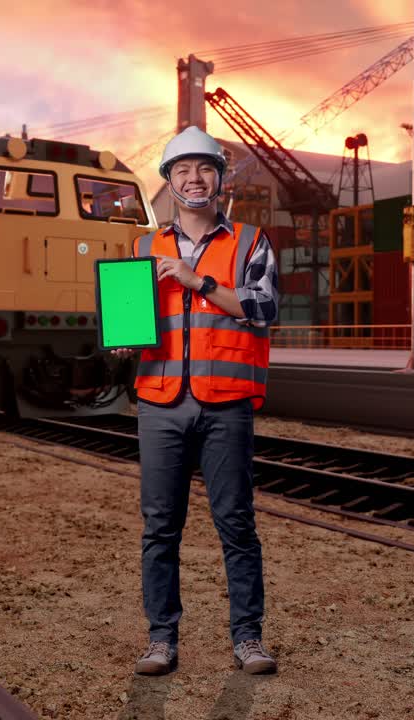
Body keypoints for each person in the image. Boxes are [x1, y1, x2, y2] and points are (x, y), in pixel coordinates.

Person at [113, 126, 279, 676]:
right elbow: (130, 326)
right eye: (182, 169)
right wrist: (119, 331)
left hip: (225, 403)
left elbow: (261, 309)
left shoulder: (250, 242)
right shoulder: (141, 248)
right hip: (161, 402)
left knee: (236, 523)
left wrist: (196, 279)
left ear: (220, 178)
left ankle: (247, 639)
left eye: (204, 168)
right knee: (160, 527)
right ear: (168, 181)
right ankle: (162, 640)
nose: (194, 178)